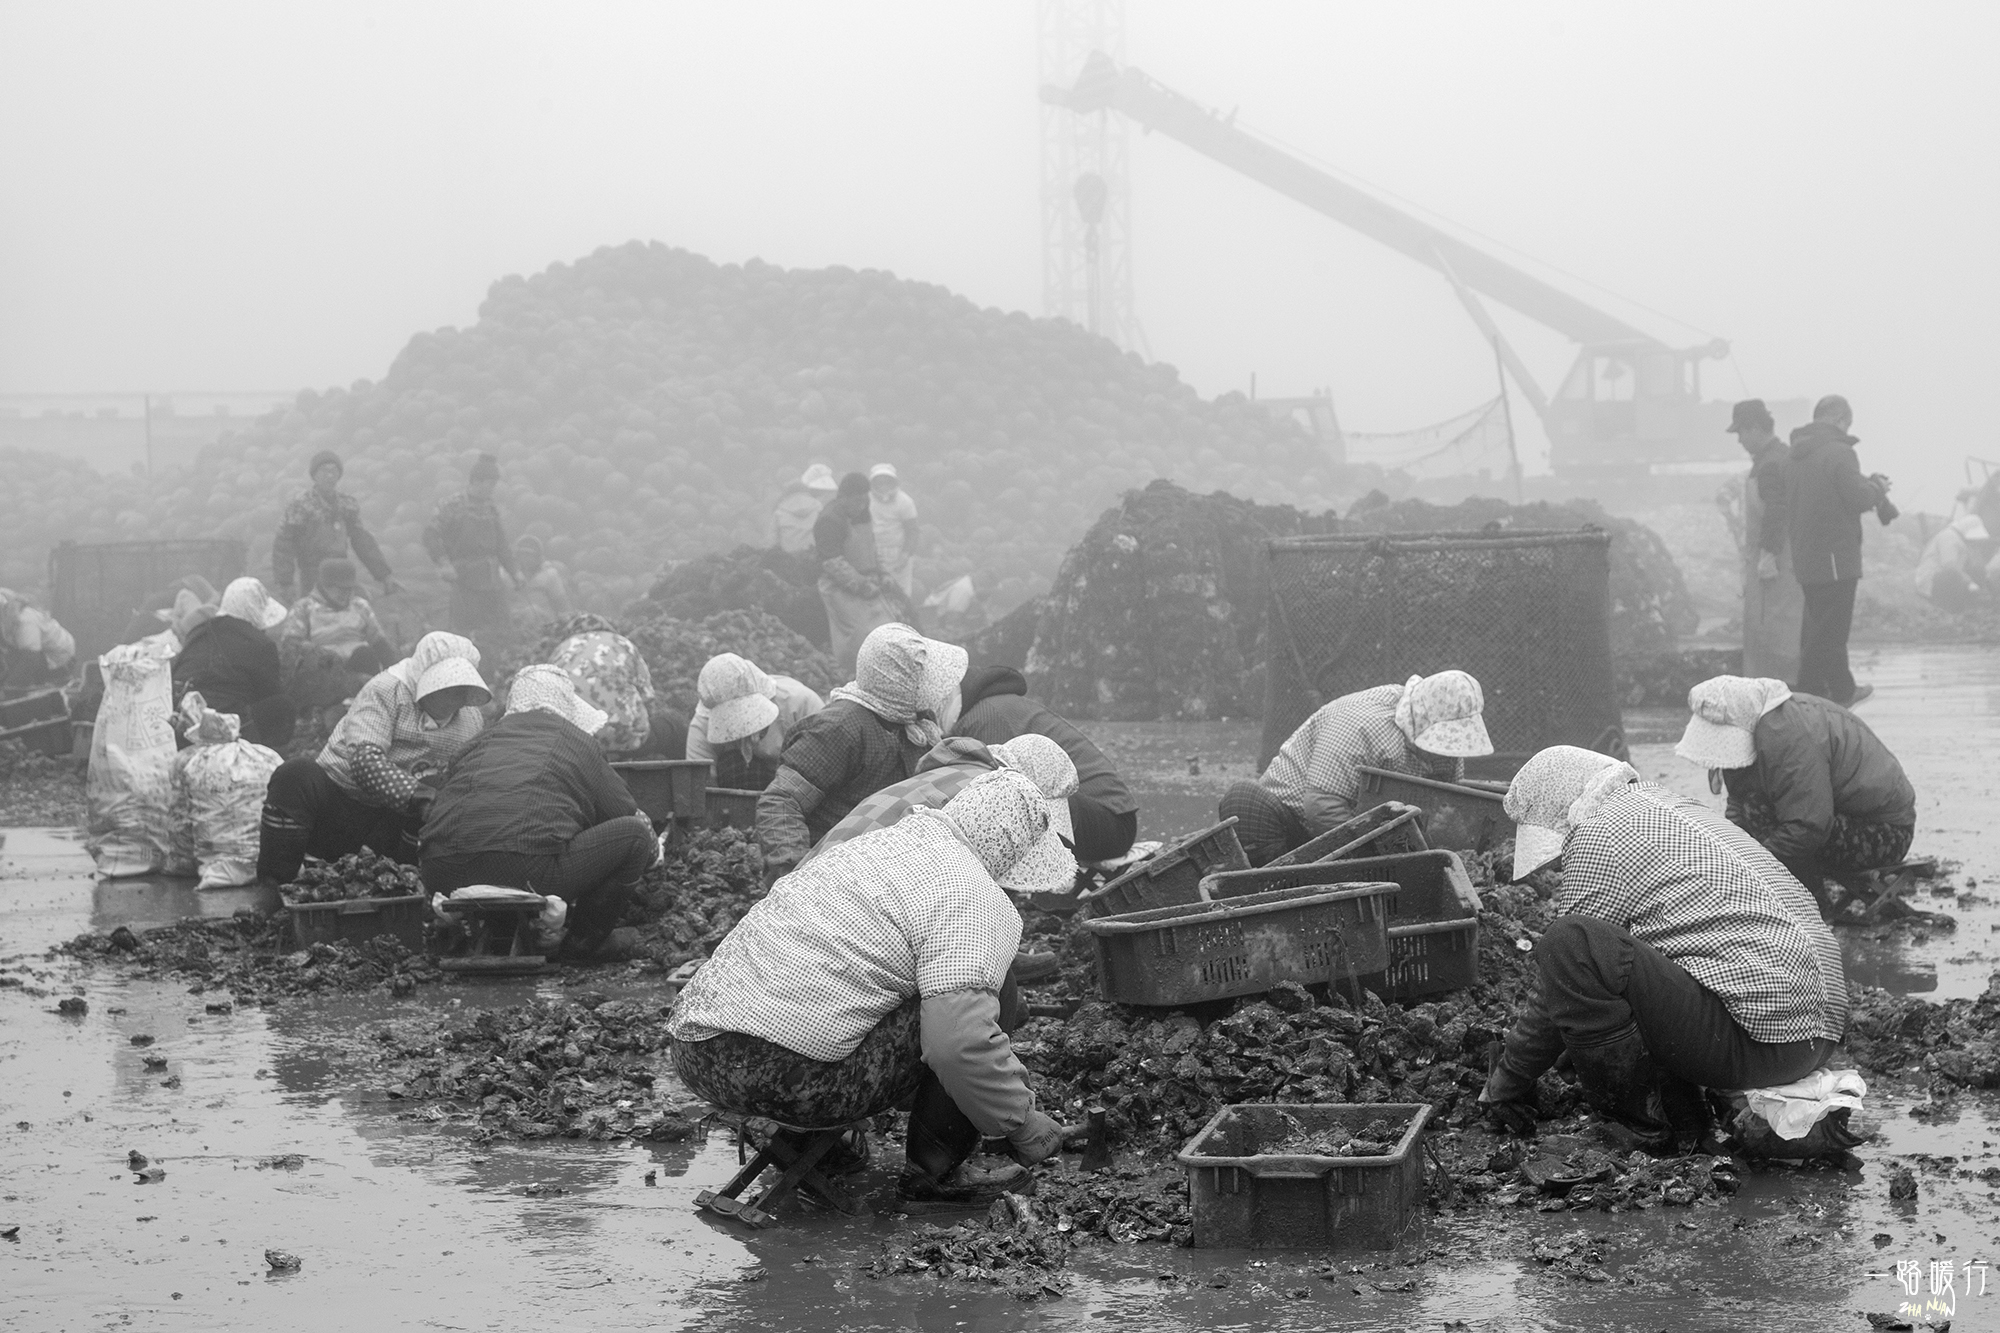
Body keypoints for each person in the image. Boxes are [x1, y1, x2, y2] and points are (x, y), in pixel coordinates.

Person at [670, 768, 1068, 1204]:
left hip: (697, 1053)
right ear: (1013, 849)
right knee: (987, 992)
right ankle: (936, 1175)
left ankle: (801, 1143)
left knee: (860, 988)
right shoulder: (974, 894)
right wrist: (1021, 1120)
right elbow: (958, 1044)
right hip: (787, 1081)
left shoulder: (873, 845)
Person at [1477, 746, 1847, 1152]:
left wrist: (1509, 1079)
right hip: (1818, 1034)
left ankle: (1644, 1129)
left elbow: (1566, 973)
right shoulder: (1675, 810)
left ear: (1560, 811)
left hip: (1760, 1043)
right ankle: (1690, 1115)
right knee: (1632, 965)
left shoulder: (1599, 832)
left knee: (1570, 942)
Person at [420, 665, 656, 961]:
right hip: (530, 869)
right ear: (565, 707)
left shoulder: (475, 743)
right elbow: (622, 810)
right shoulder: (577, 740)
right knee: (634, 837)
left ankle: (462, 934)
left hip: (442, 871)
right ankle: (582, 945)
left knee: (499, 841)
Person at [256, 632, 489, 885]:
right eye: (445, 687)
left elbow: (471, 778)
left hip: (394, 827)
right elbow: (364, 761)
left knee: (437, 786)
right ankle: (275, 884)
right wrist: (419, 796)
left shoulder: (471, 720)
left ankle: (406, 883)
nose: (454, 696)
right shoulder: (386, 692)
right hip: (339, 808)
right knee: (295, 774)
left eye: (459, 689)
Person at [1675, 675, 1916, 911]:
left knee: (1775, 824)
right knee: (1757, 816)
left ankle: (1810, 908)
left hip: (1886, 833)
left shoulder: (1790, 737)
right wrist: (1730, 853)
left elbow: (1808, 827)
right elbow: (1740, 802)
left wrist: (1753, 866)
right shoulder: (1759, 730)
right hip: (1838, 815)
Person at [756, 623, 967, 884]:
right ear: (898, 682)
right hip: (834, 874)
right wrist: (794, 878)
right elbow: (782, 802)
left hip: (882, 872)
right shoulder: (838, 729)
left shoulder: (914, 725)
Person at [1218, 670, 1494, 867]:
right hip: (1297, 826)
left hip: (1380, 833)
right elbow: (1321, 806)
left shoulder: (1449, 749)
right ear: (1420, 719)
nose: (1443, 752)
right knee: (1244, 799)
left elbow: (1450, 803)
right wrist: (1371, 854)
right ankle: (1270, 882)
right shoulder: (1361, 723)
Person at [955, 665, 1139, 862]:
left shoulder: (985, 717)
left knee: (1003, 807)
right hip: (1097, 816)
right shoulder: (983, 710)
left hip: (1110, 823)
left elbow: (988, 803)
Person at [1788, 395, 1892, 707]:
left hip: (1806, 553)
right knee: (1830, 631)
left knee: (1821, 623)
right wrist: (1877, 489)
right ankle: (1807, 693)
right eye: (1847, 423)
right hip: (1836, 555)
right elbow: (1858, 498)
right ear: (1839, 419)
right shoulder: (1840, 452)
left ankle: (1841, 690)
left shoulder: (1796, 454)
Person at [1728, 398, 1802, 683]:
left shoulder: (1770, 464)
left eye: (1741, 433)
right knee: (1778, 629)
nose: (1740, 441)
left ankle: (1779, 692)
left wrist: (1769, 554)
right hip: (1778, 562)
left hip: (1776, 566)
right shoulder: (1777, 457)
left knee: (1774, 632)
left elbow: (1777, 508)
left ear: (1757, 428)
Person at [172, 577, 293, 747]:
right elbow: (269, 692)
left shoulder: (199, 632)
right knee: (282, 706)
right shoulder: (261, 644)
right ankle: (269, 758)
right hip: (229, 726)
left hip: (184, 721)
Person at [272, 450, 398, 603]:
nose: (330, 476)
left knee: (355, 612)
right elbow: (284, 543)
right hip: (313, 574)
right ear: (315, 475)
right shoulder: (300, 506)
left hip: (342, 571)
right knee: (317, 616)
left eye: (334, 471)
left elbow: (362, 540)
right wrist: (285, 582)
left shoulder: (347, 505)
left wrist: (384, 574)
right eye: (324, 471)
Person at [815, 472, 909, 676]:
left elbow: (870, 546)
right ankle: (853, 675)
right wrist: (861, 585)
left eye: (864, 500)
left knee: (884, 629)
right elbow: (832, 562)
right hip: (841, 587)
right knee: (856, 638)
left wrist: (882, 572)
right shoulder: (829, 521)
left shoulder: (861, 512)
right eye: (856, 501)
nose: (861, 505)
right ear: (843, 498)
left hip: (869, 582)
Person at [685, 653, 825, 790]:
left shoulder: (801, 704)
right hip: (736, 795)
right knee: (733, 765)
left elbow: (829, 762)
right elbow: (699, 789)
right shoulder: (702, 726)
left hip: (800, 788)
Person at [424, 453, 519, 645]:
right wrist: (443, 563)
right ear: (476, 481)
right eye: (490, 485)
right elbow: (430, 534)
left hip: (492, 579)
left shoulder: (490, 508)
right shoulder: (451, 506)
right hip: (464, 579)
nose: (492, 490)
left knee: (502, 630)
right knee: (465, 632)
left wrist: (515, 572)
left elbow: (501, 544)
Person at [546, 615, 657, 756]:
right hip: (624, 739)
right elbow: (648, 698)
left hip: (571, 744)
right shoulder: (622, 643)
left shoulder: (560, 650)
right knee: (673, 728)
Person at [278, 559, 396, 675]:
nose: (346, 594)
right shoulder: (304, 608)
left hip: (359, 668)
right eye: (341, 589)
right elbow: (291, 645)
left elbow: (380, 643)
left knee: (365, 654)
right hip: (324, 671)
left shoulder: (360, 606)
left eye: (349, 589)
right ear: (325, 586)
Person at [0, 589, 78, 690]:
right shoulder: (5, 620)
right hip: (34, 652)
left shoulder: (24, 620)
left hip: (58, 658)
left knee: (16, 684)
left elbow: (31, 658)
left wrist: (9, 686)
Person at [1913, 514, 1991, 612]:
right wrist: (1969, 582)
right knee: (1951, 575)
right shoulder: (1949, 537)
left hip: (1947, 578)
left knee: (1976, 570)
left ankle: (1973, 606)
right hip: (1931, 581)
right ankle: (1950, 608)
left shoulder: (1961, 541)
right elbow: (1949, 566)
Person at [869, 463, 921, 598]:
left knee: (901, 594)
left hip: (898, 554)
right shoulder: (866, 500)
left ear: (894, 483)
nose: (883, 486)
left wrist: (906, 554)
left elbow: (912, 531)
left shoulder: (905, 501)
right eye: (879, 482)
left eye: (887, 482)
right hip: (873, 553)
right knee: (876, 593)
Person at [511, 535, 573, 631]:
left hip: (545, 622)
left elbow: (562, 604)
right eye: (523, 554)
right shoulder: (506, 574)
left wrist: (568, 625)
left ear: (538, 556)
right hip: (515, 621)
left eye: (530, 555)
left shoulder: (550, 575)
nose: (526, 558)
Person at [773, 463, 838, 554]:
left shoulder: (779, 512)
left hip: (789, 561)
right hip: (815, 557)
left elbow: (771, 542)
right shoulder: (820, 508)